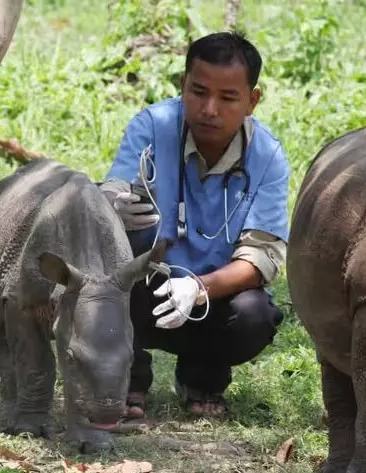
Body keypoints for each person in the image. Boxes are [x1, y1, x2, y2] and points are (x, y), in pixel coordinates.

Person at [99, 32, 290, 419]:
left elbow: (262, 259)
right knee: (114, 239)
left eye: (228, 98)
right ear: (182, 85)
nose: (209, 109)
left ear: (252, 101)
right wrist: (108, 205)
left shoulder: (267, 155)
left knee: (255, 315)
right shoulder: (153, 126)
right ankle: (127, 374)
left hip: (210, 300)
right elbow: (114, 189)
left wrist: (200, 288)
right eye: (198, 92)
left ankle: (203, 377)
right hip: (143, 290)